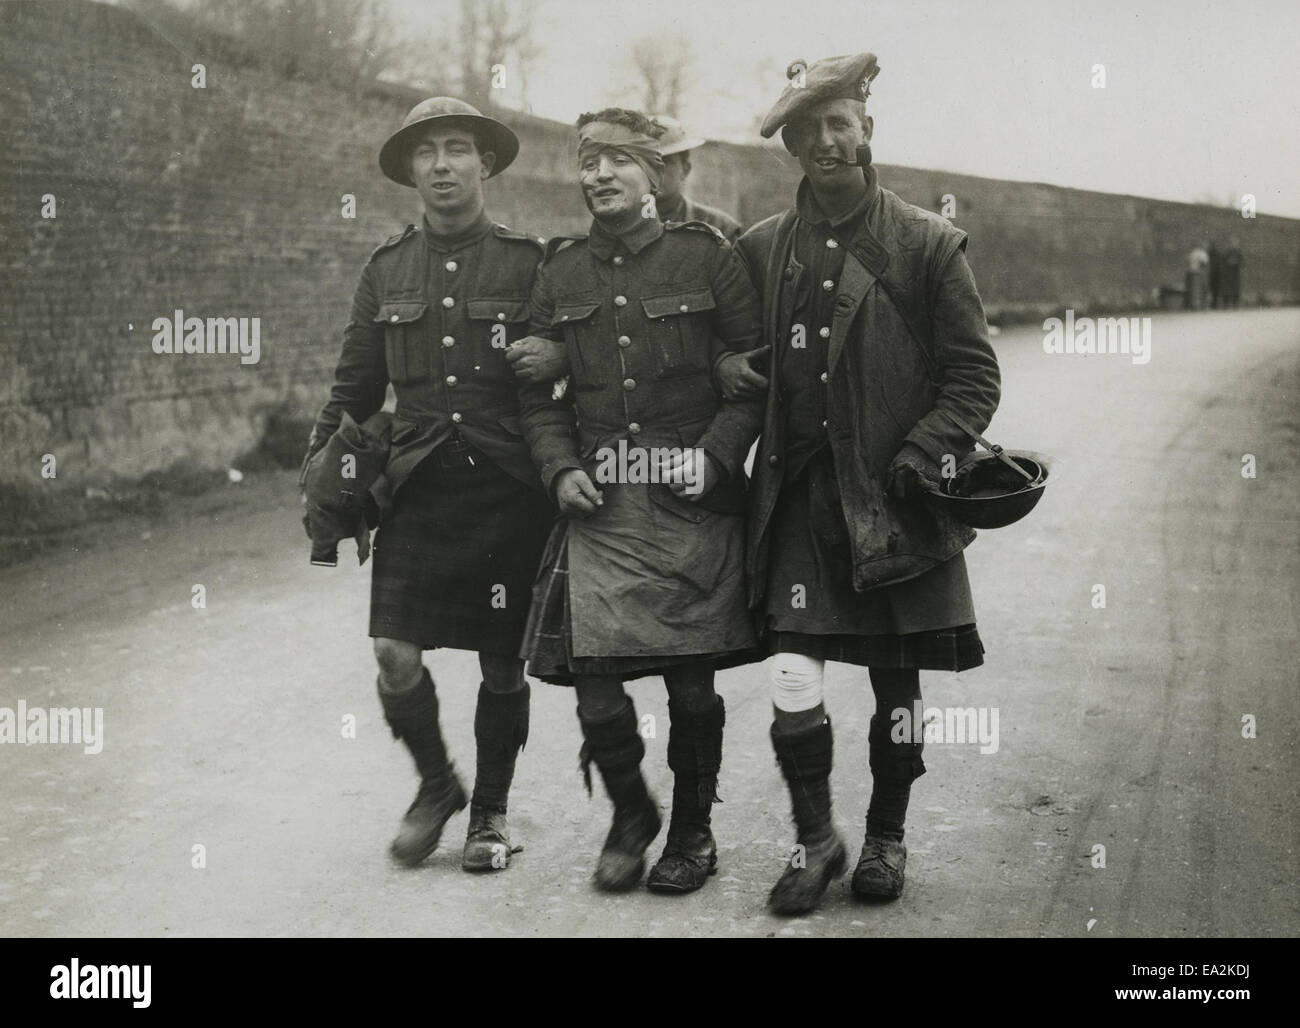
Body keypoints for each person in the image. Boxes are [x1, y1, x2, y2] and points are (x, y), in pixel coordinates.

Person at [720, 54, 1001, 915]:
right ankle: (816, 843)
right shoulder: (762, 248)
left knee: (897, 684)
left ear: (868, 131)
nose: (826, 142)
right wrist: (732, 365)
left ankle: (885, 836)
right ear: (793, 147)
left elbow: (974, 379)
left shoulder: (924, 243)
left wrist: (922, 455)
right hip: (801, 499)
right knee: (793, 678)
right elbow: (729, 355)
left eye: (841, 124)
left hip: (892, 501)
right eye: (809, 131)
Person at [515, 107, 764, 895]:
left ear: (654, 173)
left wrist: (719, 458)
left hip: (691, 501)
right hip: (602, 505)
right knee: (594, 684)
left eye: (617, 160)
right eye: (588, 162)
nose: (598, 176)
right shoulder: (560, 272)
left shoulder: (709, 257)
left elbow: (752, 376)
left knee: (691, 684)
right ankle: (631, 814)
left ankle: (693, 830)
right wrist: (558, 468)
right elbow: (538, 393)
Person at [302, 97, 553, 874]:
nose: (442, 164)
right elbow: (351, 395)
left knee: (503, 663)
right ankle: (439, 785)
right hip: (416, 488)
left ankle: (491, 815)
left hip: (509, 489)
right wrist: (321, 478)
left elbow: (558, 385)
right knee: (393, 653)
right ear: (411, 170)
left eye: (457, 149)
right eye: (427, 153)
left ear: (485, 163)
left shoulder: (530, 263)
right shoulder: (385, 271)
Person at [650, 114, 744, 241]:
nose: (654, 170)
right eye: (646, 161)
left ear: (685, 169)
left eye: (665, 161)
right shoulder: (616, 225)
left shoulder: (720, 228)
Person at [1220, 236, 1243, 309]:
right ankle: (1226, 304)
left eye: (1235, 243)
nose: (1234, 245)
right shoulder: (1226, 252)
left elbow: (1241, 262)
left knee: (1235, 288)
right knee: (1227, 288)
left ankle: (1235, 303)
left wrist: (1235, 263)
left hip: (1235, 274)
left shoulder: (1238, 253)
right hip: (1228, 273)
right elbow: (1223, 261)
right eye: (1232, 243)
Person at [1185, 242, 1209, 310]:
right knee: (1198, 289)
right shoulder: (1200, 253)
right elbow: (1204, 262)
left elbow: (1188, 262)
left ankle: (1195, 304)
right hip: (1198, 272)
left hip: (1193, 272)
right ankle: (1198, 305)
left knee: (1195, 289)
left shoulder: (1193, 253)